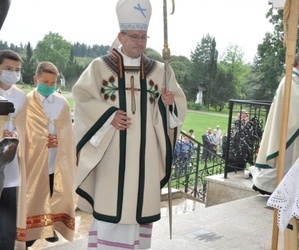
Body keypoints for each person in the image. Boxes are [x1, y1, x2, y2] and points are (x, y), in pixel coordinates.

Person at [72, 0, 187, 248]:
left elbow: (175, 108)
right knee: (113, 210)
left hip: (145, 159)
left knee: (138, 214)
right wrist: (108, 115)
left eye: (143, 37)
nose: (139, 41)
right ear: (120, 36)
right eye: (134, 36)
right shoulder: (100, 67)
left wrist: (167, 104)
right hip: (112, 157)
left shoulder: (160, 71)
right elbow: (81, 98)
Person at [249, 51, 299, 195]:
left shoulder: (296, 80)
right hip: (290, 130)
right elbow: (297, 103)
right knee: (286, 161)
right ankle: (262, 183)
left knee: (287, 162)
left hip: (290, 127)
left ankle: (272, 186)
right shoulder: (292, 79)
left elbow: (297, 101)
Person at [25, 62, 76, 247]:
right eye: (45, 81)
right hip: (33, 161)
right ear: (36, 79)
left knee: (53, 194)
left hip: (55, 159)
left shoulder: (61, 102)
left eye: (53, 82)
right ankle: (30, 233)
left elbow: (68, 132)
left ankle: (50, 228)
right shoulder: (27, 101)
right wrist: (41, 140)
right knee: (35, 195)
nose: (49, 86)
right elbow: (22, 131)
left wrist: (59, 139)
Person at [0, 50, 27, 249]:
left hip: (11, 168)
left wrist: (16, 135)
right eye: (8, 69)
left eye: (17, 70)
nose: (13, 73)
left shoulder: (20, 96)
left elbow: (26, 127)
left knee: (7, 225)